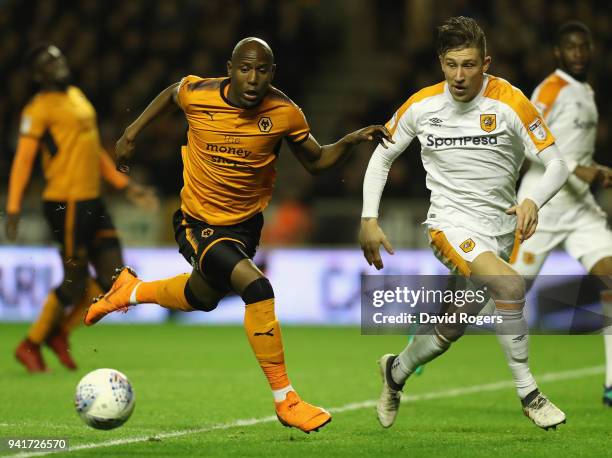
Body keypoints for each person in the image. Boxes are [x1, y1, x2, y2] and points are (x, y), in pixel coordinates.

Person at [84, 37, 392, 434]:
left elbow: (316, 161)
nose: (252, 79)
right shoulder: (201, 94)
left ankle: (129, 291)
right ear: (230, 68)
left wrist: (348, 142)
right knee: (257, 288)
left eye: (262, 71)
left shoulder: (283, 112)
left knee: (202, 297)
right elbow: (172, 93)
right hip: (198, 223)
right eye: (245, 69)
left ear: (272, 73)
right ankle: (286, 399)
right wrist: (131, 132)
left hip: (245, 227)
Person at [359, 17, 570, 430]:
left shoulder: (511, 102)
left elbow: (557, 164)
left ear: (485, 62)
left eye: (469, 65)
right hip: (448, 224)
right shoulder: (421, 106)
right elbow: (382, 156)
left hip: (499, 231)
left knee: (453, 324)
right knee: (509, 285)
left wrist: (532, 199)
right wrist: (369, 218)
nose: (459, 76)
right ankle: (529, 393)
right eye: (452, 64)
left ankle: (395, 372)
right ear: (441, 62)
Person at [6, 44, 157, 373]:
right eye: (48, 61)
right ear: (37, 74)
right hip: (66, 202)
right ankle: (30, 343)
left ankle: (58, 333)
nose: (58, 63)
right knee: (74, 279)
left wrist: (124, 186)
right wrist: (14, 207)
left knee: (114, 279)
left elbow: (91, 149)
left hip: (93, 200)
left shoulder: (76, 95)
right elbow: (24, 159)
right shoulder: (38, 108)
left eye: (59, 56)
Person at [511, 21, 612, 406]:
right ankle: (436, 325)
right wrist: (577, 168)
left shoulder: (586, 91)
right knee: (504, 295)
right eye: (571, 47)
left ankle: (611, 385)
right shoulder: (551, 89)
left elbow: (573, 153)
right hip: (543, 206)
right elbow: (526, 141)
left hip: (581, 210)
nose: (579, 53)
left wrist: (595, 169)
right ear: (558, 52)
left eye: (584, 47)